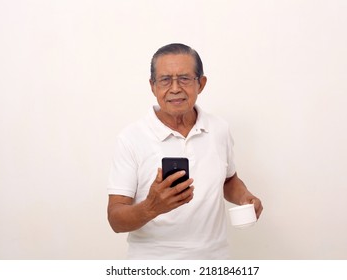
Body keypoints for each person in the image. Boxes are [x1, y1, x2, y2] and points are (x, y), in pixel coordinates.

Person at [107, 43, 263, 259]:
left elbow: (229, 180)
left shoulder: (219, 129)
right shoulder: (131, 138)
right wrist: (151, 207)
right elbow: (115, 219)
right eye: (165, 80)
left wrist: (245, 197)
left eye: (184, 78)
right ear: (152, 86)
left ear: (201, 83)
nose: (175, 88)